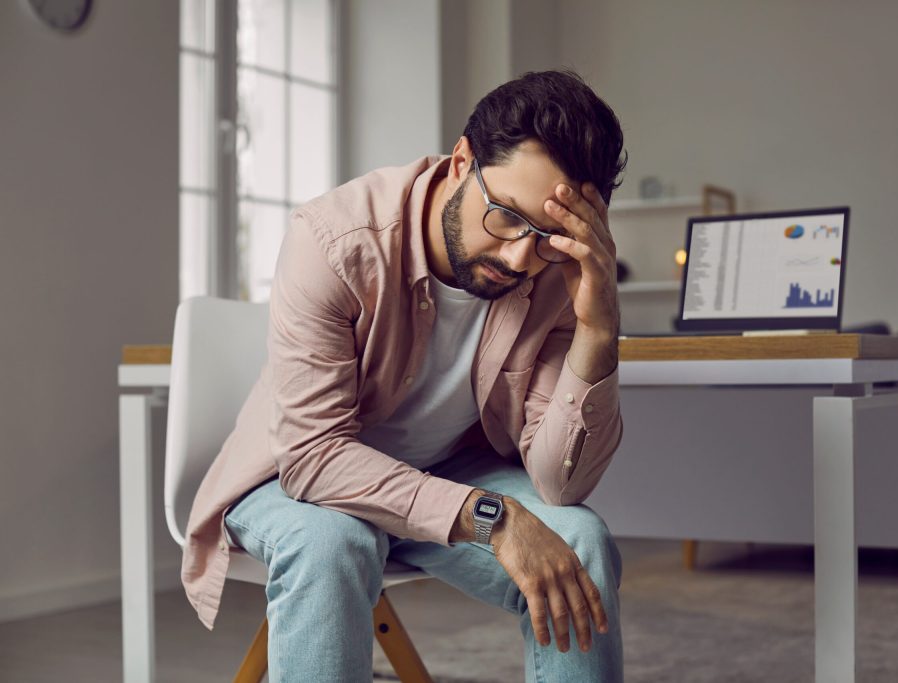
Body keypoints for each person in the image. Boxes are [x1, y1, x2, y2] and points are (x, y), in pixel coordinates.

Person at [181, 69, 628, 682]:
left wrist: (599, 330)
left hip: (443, 471)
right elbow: (314, 456)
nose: (520, 256)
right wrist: (490, 517)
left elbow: (559, 485)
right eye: (505, 215)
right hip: (293, 476)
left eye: (550, 234)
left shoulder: (557, 273)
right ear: (461, 161)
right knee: (332, 542)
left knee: (582, 541)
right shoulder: (334, 239)